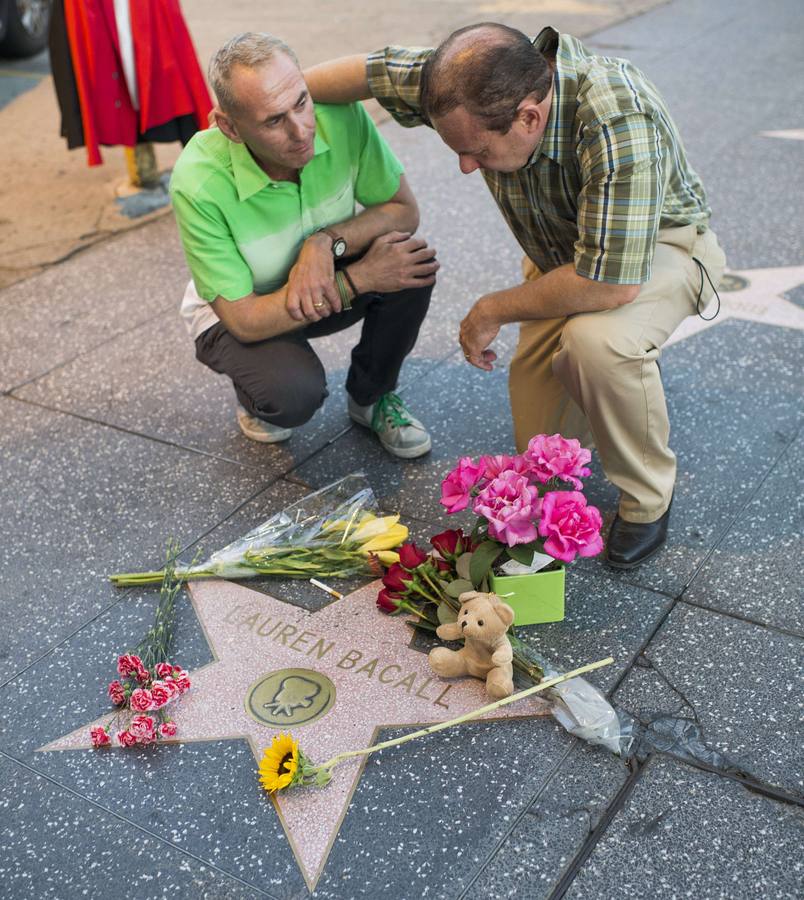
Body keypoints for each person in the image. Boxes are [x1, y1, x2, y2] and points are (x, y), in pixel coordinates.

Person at [304, 23, 726, 567]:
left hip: (655, 251)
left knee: (595, 346)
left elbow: (610, 281)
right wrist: (271, 107)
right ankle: (615, 387)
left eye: (475, 151)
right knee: (540, 462)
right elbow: (364, 72)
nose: (464, 165)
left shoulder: (619, 118)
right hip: (567, 260)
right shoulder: (470, 80)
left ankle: (648, 498)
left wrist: (490, 310)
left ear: (529, 116)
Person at [169, 32, 439, 459]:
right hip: (244, 309)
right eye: (274, 121)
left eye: (301, 102)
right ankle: (255, 395)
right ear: (229, 127)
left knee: (409, 261)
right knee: (291, 398)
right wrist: (356, 279)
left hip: (321, 278)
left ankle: (372, 397)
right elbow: (244, 320)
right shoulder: (197, 181)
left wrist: (325, 243)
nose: (301, 132)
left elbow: (402, 210)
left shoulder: (340, 116)